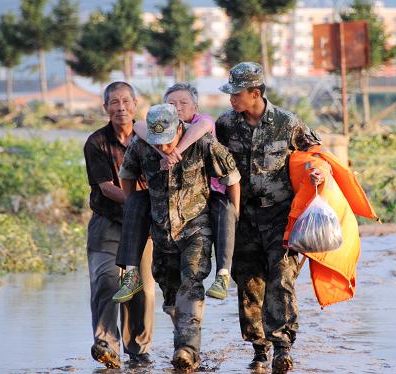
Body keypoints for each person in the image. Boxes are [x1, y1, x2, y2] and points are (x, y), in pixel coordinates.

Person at [215, 62, 324, 373]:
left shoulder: (287, 123)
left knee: (281, 277)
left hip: (280, 215)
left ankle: (282, 346)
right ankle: (259, 348)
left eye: (236, 93)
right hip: (243, 217)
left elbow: (314, 154)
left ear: (255, 93)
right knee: (248, 282)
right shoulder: (225, 125)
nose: (231, 99)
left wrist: (316, 172)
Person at [119, 103, 241, 370]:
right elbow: (126, 175)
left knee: (192, 283)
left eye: (167, 142)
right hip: (161, 232)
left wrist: (233, 216)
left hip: (196, 228)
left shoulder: (203, 145)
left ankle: (188, 350)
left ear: (179, 128)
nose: (163, 148)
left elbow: (232, 177)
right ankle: (183, 338)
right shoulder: (142, 146)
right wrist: (134, 210)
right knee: (171, 295)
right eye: (157, 142)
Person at [115, 82, 238, 301]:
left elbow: (203, 133)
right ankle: (131, 274)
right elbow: (139, 128)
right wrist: (163, 153)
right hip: (164, 220)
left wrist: (176, 152)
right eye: (172, 103)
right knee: (134, 203)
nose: (178, 107)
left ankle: (223, 274)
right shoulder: (150, 133)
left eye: (183, 103)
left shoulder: (202, 129)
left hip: (203, 208)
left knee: (226, 210)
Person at [83, 81, 154, 369]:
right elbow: (106, 187)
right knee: (108, 280)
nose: (121, 107)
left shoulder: (149, 137)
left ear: (136, 105)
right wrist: (139, 200)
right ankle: (106, 344)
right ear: (106, 108)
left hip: (145, 223)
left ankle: (138, 350)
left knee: (142, 288)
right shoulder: (96, 142)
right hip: (108, 221)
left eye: (126, 101)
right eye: (114, 102)